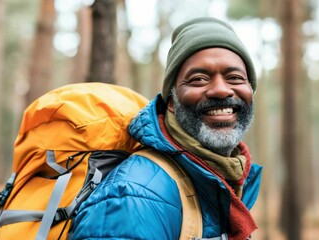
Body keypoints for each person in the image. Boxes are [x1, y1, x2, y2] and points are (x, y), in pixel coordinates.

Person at [70, 17, 262, 240]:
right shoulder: (134, 196)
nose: (221, 90)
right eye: (199, 79)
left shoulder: (228, 182)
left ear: (250, 90)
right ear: (171, 101)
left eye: (235, 78)